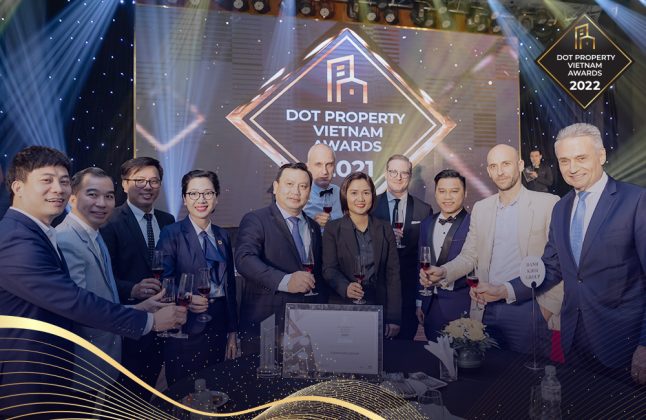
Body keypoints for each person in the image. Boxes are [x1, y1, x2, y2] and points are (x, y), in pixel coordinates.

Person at [0, 147, 186, 416]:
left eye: (63, 181)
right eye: (47, 180)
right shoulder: (17, 238)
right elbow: (73, 301)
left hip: (51, 371)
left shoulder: (40, 232)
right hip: (30, 377)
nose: (58, 189)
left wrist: (139, 308)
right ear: (18, 187)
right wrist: (149, 321)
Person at [476, 123, 646, 384]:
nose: (572, 168)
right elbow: (551, 267)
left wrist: (645, 343)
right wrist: (504, 290)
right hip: (573, 340)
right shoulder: (561, 207)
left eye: (581, 158)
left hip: (624, 344)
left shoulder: (636, 200)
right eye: (564, 161)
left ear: (601, 156)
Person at [422, 144, 560, 354]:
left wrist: (547, 309)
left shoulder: (548, 204)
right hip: (484, 308)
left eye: (506, 164)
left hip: (529, 309)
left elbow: (559, 262)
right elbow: (469, 255)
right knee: (487, 372)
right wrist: (443, 272)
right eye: (494, 166)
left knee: (526, 373)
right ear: (488, 171)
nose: (500, 171)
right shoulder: (481, 208)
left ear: (520, 165)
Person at [156, 170, 238, 385]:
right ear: (185, 199)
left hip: (219, 327)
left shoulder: (223, 235)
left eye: (208, 193)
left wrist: (232, 331)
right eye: (193, 194)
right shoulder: (171, 233)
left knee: (217, 389)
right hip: (186, 329)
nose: (201, 199)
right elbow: (163, 282)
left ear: (216, 197)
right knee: (184, 392)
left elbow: (229, 286)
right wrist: (187, 298)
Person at [100, 157, 176, 386]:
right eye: (140, 180)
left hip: (163, 322)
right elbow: (103, 277)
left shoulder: (167, 220)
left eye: (154, 181)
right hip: (128, 324)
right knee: (125, 392)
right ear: (124, 184)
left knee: (154, 388)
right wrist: (132, 289)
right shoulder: (109, 221)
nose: (147, 186)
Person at [235, 162, 323, 336]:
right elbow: (244, 259)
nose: (296, 192)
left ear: (309, 191)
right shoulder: (256, 219)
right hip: (265, 320)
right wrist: (285, 281)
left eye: (303, 186)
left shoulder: (313, 226)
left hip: (305, 323)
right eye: (289, 184)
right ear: (275, 187)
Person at [55, 168, 123, 384]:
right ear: (72, 198)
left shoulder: (94, 233)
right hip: (85, 365)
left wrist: (141, 306)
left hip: (103, 358)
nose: (102, 203)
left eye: (109, 196)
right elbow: (79, 310)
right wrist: (143, 318)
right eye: (92, 194)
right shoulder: (66, 239)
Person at [323, 172, 402, 339]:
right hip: (343, 307)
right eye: (354, 193)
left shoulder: (385, 228)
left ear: (372, 196)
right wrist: (345, 287)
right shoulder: (333, 229)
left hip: (377, 306)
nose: (360, 198)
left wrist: (393, 317)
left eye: (366, 193)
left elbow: (393, 275)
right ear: (345, 196)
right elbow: (329, 269)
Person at [373, 154, 432, 340]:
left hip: (408, 295)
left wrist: (420, 300)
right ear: (386, 173)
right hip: (377, 293)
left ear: (410, 175)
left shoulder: (424, 210)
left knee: (404, 349)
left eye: (404, 173)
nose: (398, 177)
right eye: (393, 172)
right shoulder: (371, 206)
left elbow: (425, 255)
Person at [416, 170, 471, 341]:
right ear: (435, 193)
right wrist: (420, 302)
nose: (447, 197)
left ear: (465, 193)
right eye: (442, 191)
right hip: (430, 307)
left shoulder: (473, 223)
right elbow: (421, 263)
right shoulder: (426, 223)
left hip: (462, 305)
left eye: (454, 191)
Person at [304, 144, 343, 228]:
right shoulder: (299, 194)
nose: (325, 171)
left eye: (329, 164)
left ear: (334, 167)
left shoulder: (341, 193)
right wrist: (312, 224)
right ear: (308, 167)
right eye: (318, 164)